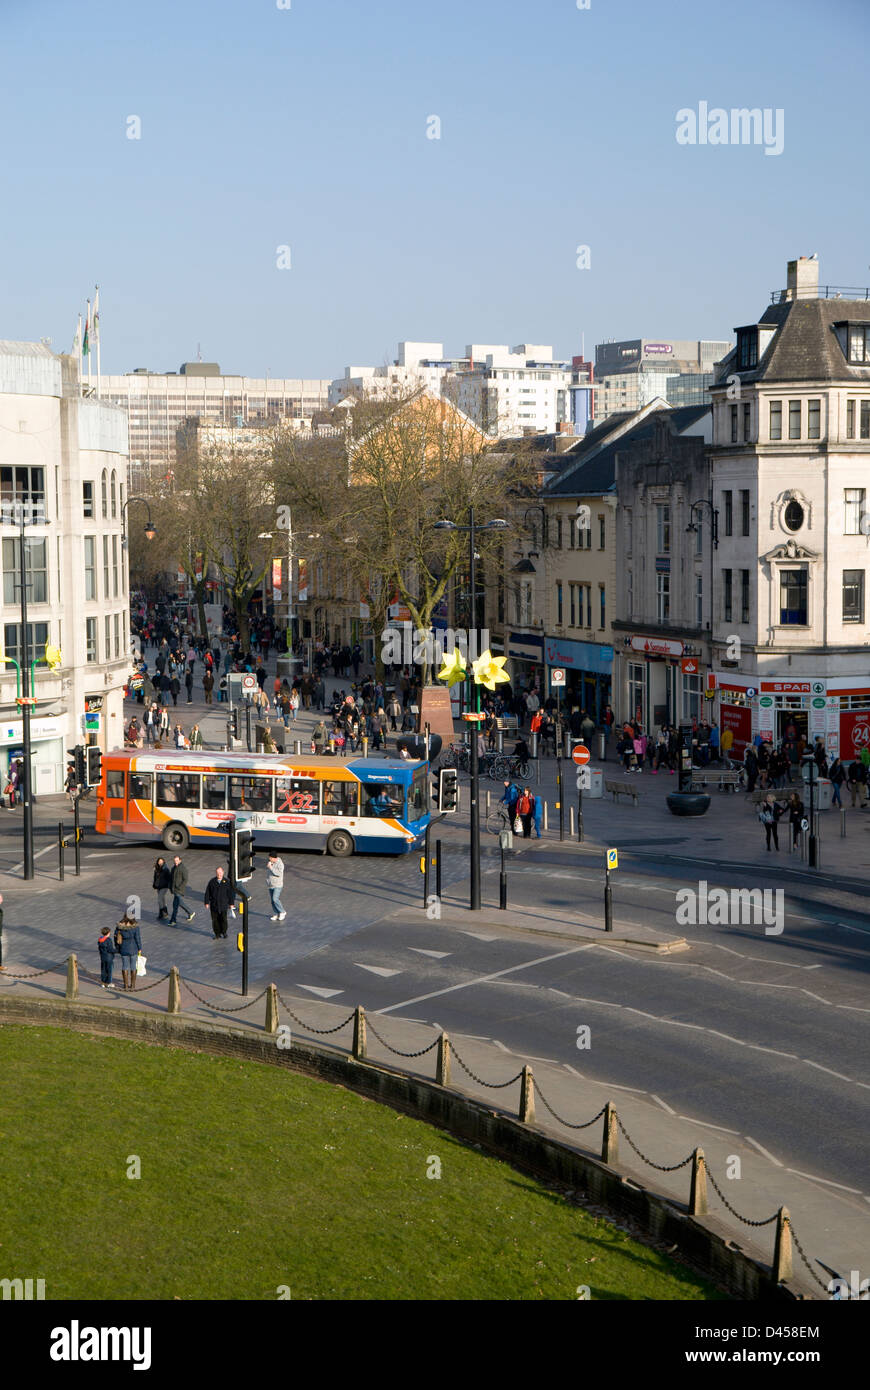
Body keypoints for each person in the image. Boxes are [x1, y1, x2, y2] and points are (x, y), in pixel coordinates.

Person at [204, 865, 234, 939]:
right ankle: (217, 934)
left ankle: (224, 932)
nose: (219, 874)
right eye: (217, 873)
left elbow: (230, 894)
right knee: (215, 920)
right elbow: (207, 892)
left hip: (223, 905)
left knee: (223, 919)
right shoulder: (212, 882)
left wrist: (231, 903)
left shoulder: (227, 882)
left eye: (220, 873)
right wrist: (206, 902)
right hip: (214, 905)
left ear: (223, 873)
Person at [115, 914, 142, 991]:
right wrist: (139, 948)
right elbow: (138, 938)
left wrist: (117, 947)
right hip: (133, 948)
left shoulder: (119, 926)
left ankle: (126, 985)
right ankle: (133, 986)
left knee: (125, 966)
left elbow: (116, 937)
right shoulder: (135, 926)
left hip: (123, 948)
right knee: (133, 966)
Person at [168, 855, 196, 925]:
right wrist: (170, 886)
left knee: (175, 906)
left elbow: (185, 879)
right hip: (174, 889)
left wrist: (180, 887)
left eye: (177, 861)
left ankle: (173, 921)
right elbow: (171, 878)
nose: (176, 862)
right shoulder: (173, 868)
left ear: (180, 860)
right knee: (179, 903)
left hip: (179, 890)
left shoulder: (183, 868)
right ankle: (191, 912)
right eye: (174, 861)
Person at [266, 851, 286, 921]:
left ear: (274, 858)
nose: (269, 859)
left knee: (275, 899)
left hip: (277, 885)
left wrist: (271, 867)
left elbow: (278, 873)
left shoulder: (280, 864)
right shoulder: (271, 862)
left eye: (270, 858)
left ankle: (282, 912)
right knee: (272, 901)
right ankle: (277, 913)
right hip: (271, 884)